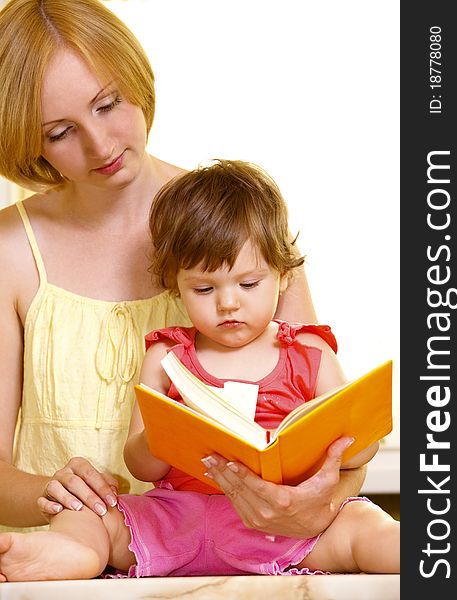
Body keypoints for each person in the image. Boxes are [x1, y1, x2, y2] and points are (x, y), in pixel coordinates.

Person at [0, 0, 365, 537]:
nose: (101, 145)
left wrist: (320, 503)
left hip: (240, 564)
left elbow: (336, 437)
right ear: (26, 138)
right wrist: (51, 494)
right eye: (59, 132)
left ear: (136, 80)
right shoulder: (11, 250)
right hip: (67, 570)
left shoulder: (241, 224)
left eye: (108, 104)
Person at [0, 159, 399, 581]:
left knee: (364, 526)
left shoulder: (308, 349)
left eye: (249, 284)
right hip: (176, 519)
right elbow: (140, 466)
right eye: (205, 289)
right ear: (176, 285)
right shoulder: (167, 356)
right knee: (90, 512)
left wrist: (337, 445)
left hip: (277, 527)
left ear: (283, 277)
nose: (228, 303)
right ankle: (69, 550)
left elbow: (361, 449)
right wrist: (164, 435)